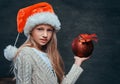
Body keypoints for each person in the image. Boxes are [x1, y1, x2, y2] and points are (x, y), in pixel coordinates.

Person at [4, 2, 90, 84]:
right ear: (31, 31)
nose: (45, 35)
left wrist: (78, 62)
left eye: (49, 30)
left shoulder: (49, 55)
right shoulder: (26, 54)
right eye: (40, 29)